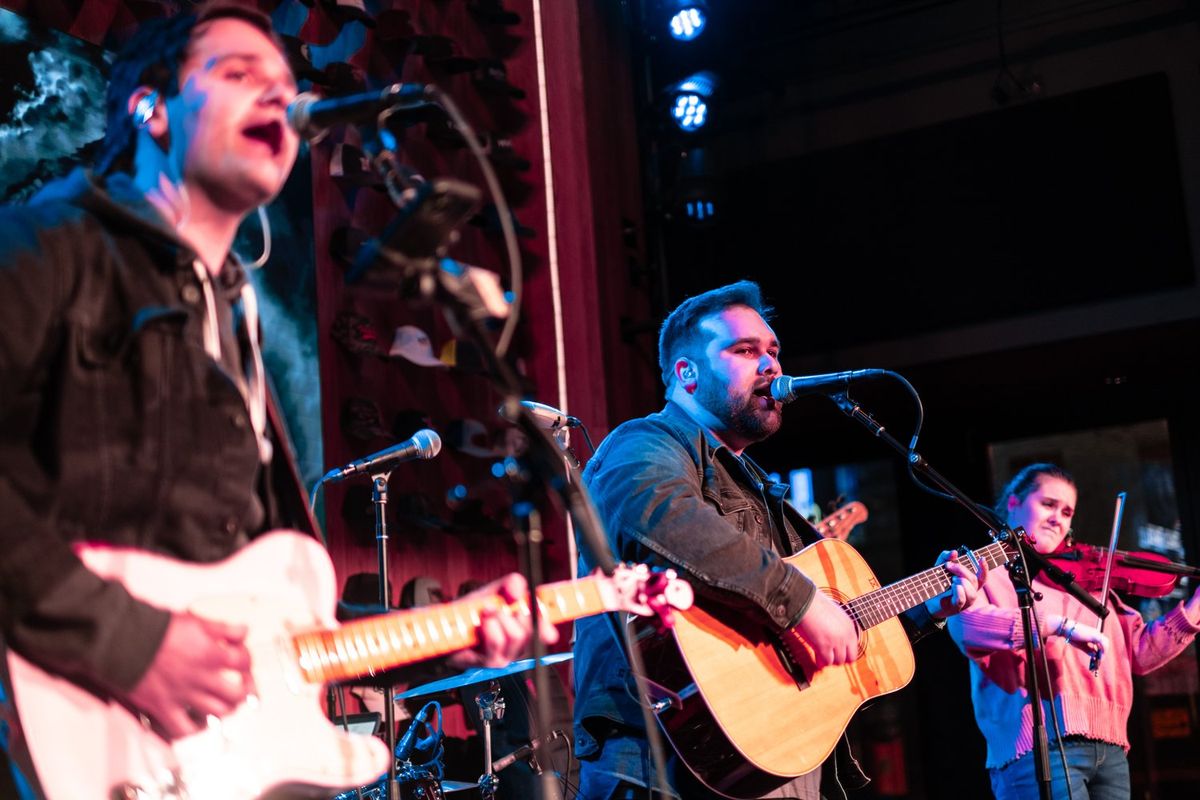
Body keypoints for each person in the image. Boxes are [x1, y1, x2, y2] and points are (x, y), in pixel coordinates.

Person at [0, 4, 546, 797]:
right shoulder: (46, 249)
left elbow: (272, 628)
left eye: (287, 84)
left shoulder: (228, 320)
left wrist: (445, 640)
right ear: (150, 107)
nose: (278, 98)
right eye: (238, 75)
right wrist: (127, 643)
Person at [571, 280, 983, 800]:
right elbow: (662, 518)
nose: (771, 365)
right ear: (687, 374)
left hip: (775, 753)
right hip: (660, 757)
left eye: (773, 351)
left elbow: (827, 634)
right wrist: (803, 600)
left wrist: (930, 610)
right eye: (745, 350)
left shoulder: (763, 489)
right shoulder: (646, 443)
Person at [946, 463, 1200, 800]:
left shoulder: (1087, 585)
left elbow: (1138, 651)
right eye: (1048, 504)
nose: (1058, 519)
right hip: (1037, 748)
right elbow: (967, 626)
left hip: (1110, 750)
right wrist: (1058, 626)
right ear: (1013, 504)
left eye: (1067, 512)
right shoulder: (987, 574)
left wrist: (1197, 606)